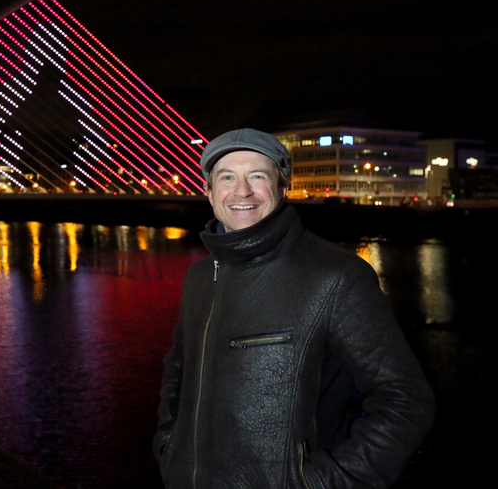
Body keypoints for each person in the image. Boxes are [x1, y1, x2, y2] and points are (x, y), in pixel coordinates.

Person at [154, 128, 434, 488]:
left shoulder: (335, 276)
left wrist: (325, 482)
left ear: (283, 187)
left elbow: (405, 400)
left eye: (258, 176)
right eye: (227, 178)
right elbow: (177, 372)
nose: (242, 192)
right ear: (209, 192)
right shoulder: (200, 275)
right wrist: (168, 447)